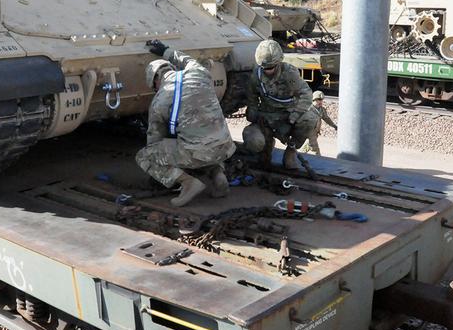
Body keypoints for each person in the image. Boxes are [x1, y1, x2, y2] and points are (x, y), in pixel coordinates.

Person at [135, 40, 235, 207]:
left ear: (156, 80)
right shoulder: (198, 72)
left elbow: (154, 140)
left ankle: (188, 183)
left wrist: (161, 174)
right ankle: (218, 175)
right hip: (225, 147)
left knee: (145, 156)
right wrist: (165, 50)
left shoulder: (160, 101)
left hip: (198, 152)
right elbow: (187, 60)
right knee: (203, 137)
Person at [243, 39, 318, 169]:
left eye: (271, 67)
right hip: (266, 118)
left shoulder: (290, 73)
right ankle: (266, 147)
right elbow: (252, 98)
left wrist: (294, 117)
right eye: (265, 68)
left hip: (287, 118)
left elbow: (306, 95)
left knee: (310, 119)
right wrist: (253, 113)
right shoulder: (256, 76)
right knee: (254, 142)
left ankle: (291, 150)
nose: (268, 71)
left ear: (278, 63)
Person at [300, 90, 338, 156]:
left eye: (322, 100)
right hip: (308, 131)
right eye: (319, 99)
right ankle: (318, 159)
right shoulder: (308, 109)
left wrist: (334, 126)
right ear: (314, 99)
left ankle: (299, 155)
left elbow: (326, 119)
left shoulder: (321, 110)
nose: (321, 101)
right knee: (315, 149)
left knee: (309, 145)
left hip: (315, 132)